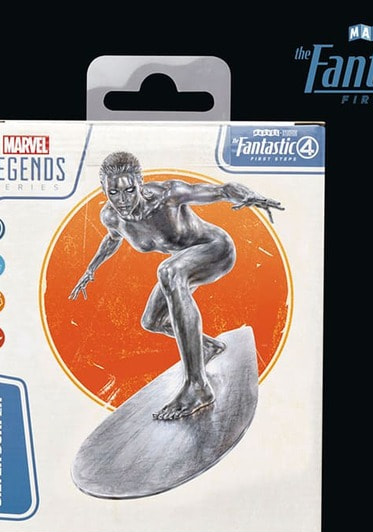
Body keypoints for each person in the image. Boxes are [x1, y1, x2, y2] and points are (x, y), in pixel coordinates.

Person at [69, 151, 283, 421]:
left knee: (168, 271)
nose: (122, 200)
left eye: (129, 190)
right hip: (182, 264)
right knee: (152, 321)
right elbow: (113, 239)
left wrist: (248, 195)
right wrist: (91, 269)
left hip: (216, 250)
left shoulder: (168, 195)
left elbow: (223, 190)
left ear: (140, 183)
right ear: (104, 190)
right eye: (113, 193)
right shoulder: (112, 216)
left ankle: (197, 387)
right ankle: (208, 348)